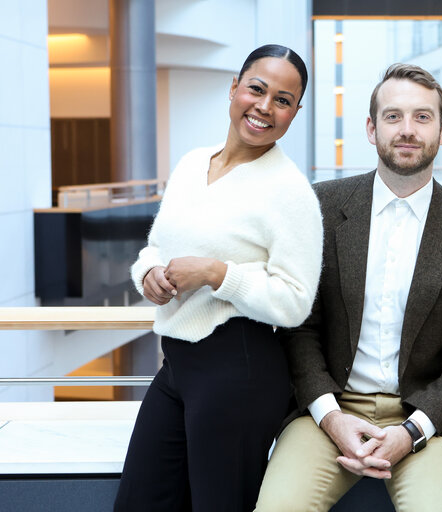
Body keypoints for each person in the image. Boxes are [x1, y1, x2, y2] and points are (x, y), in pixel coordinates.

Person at [254, 64, 442, 512]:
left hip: (429, 418)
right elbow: (299, 328)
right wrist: (331, 418)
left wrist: (411, 433)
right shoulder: (322, 207)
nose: (407, 130)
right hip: (327, 406)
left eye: (422, 117)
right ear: (371, 128)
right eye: (393, 116)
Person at [114, 44, 322, 512]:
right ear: (234, 87)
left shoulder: (290, 192)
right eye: (257, 89)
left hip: (240, 370)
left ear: (295, 113)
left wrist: (216, 273)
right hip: (176, 368)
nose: (265, 107)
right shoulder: (192, 163)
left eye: (284, 100)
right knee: (138, 503)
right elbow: (157, 245)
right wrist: (147, 271)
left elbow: (295, 301)